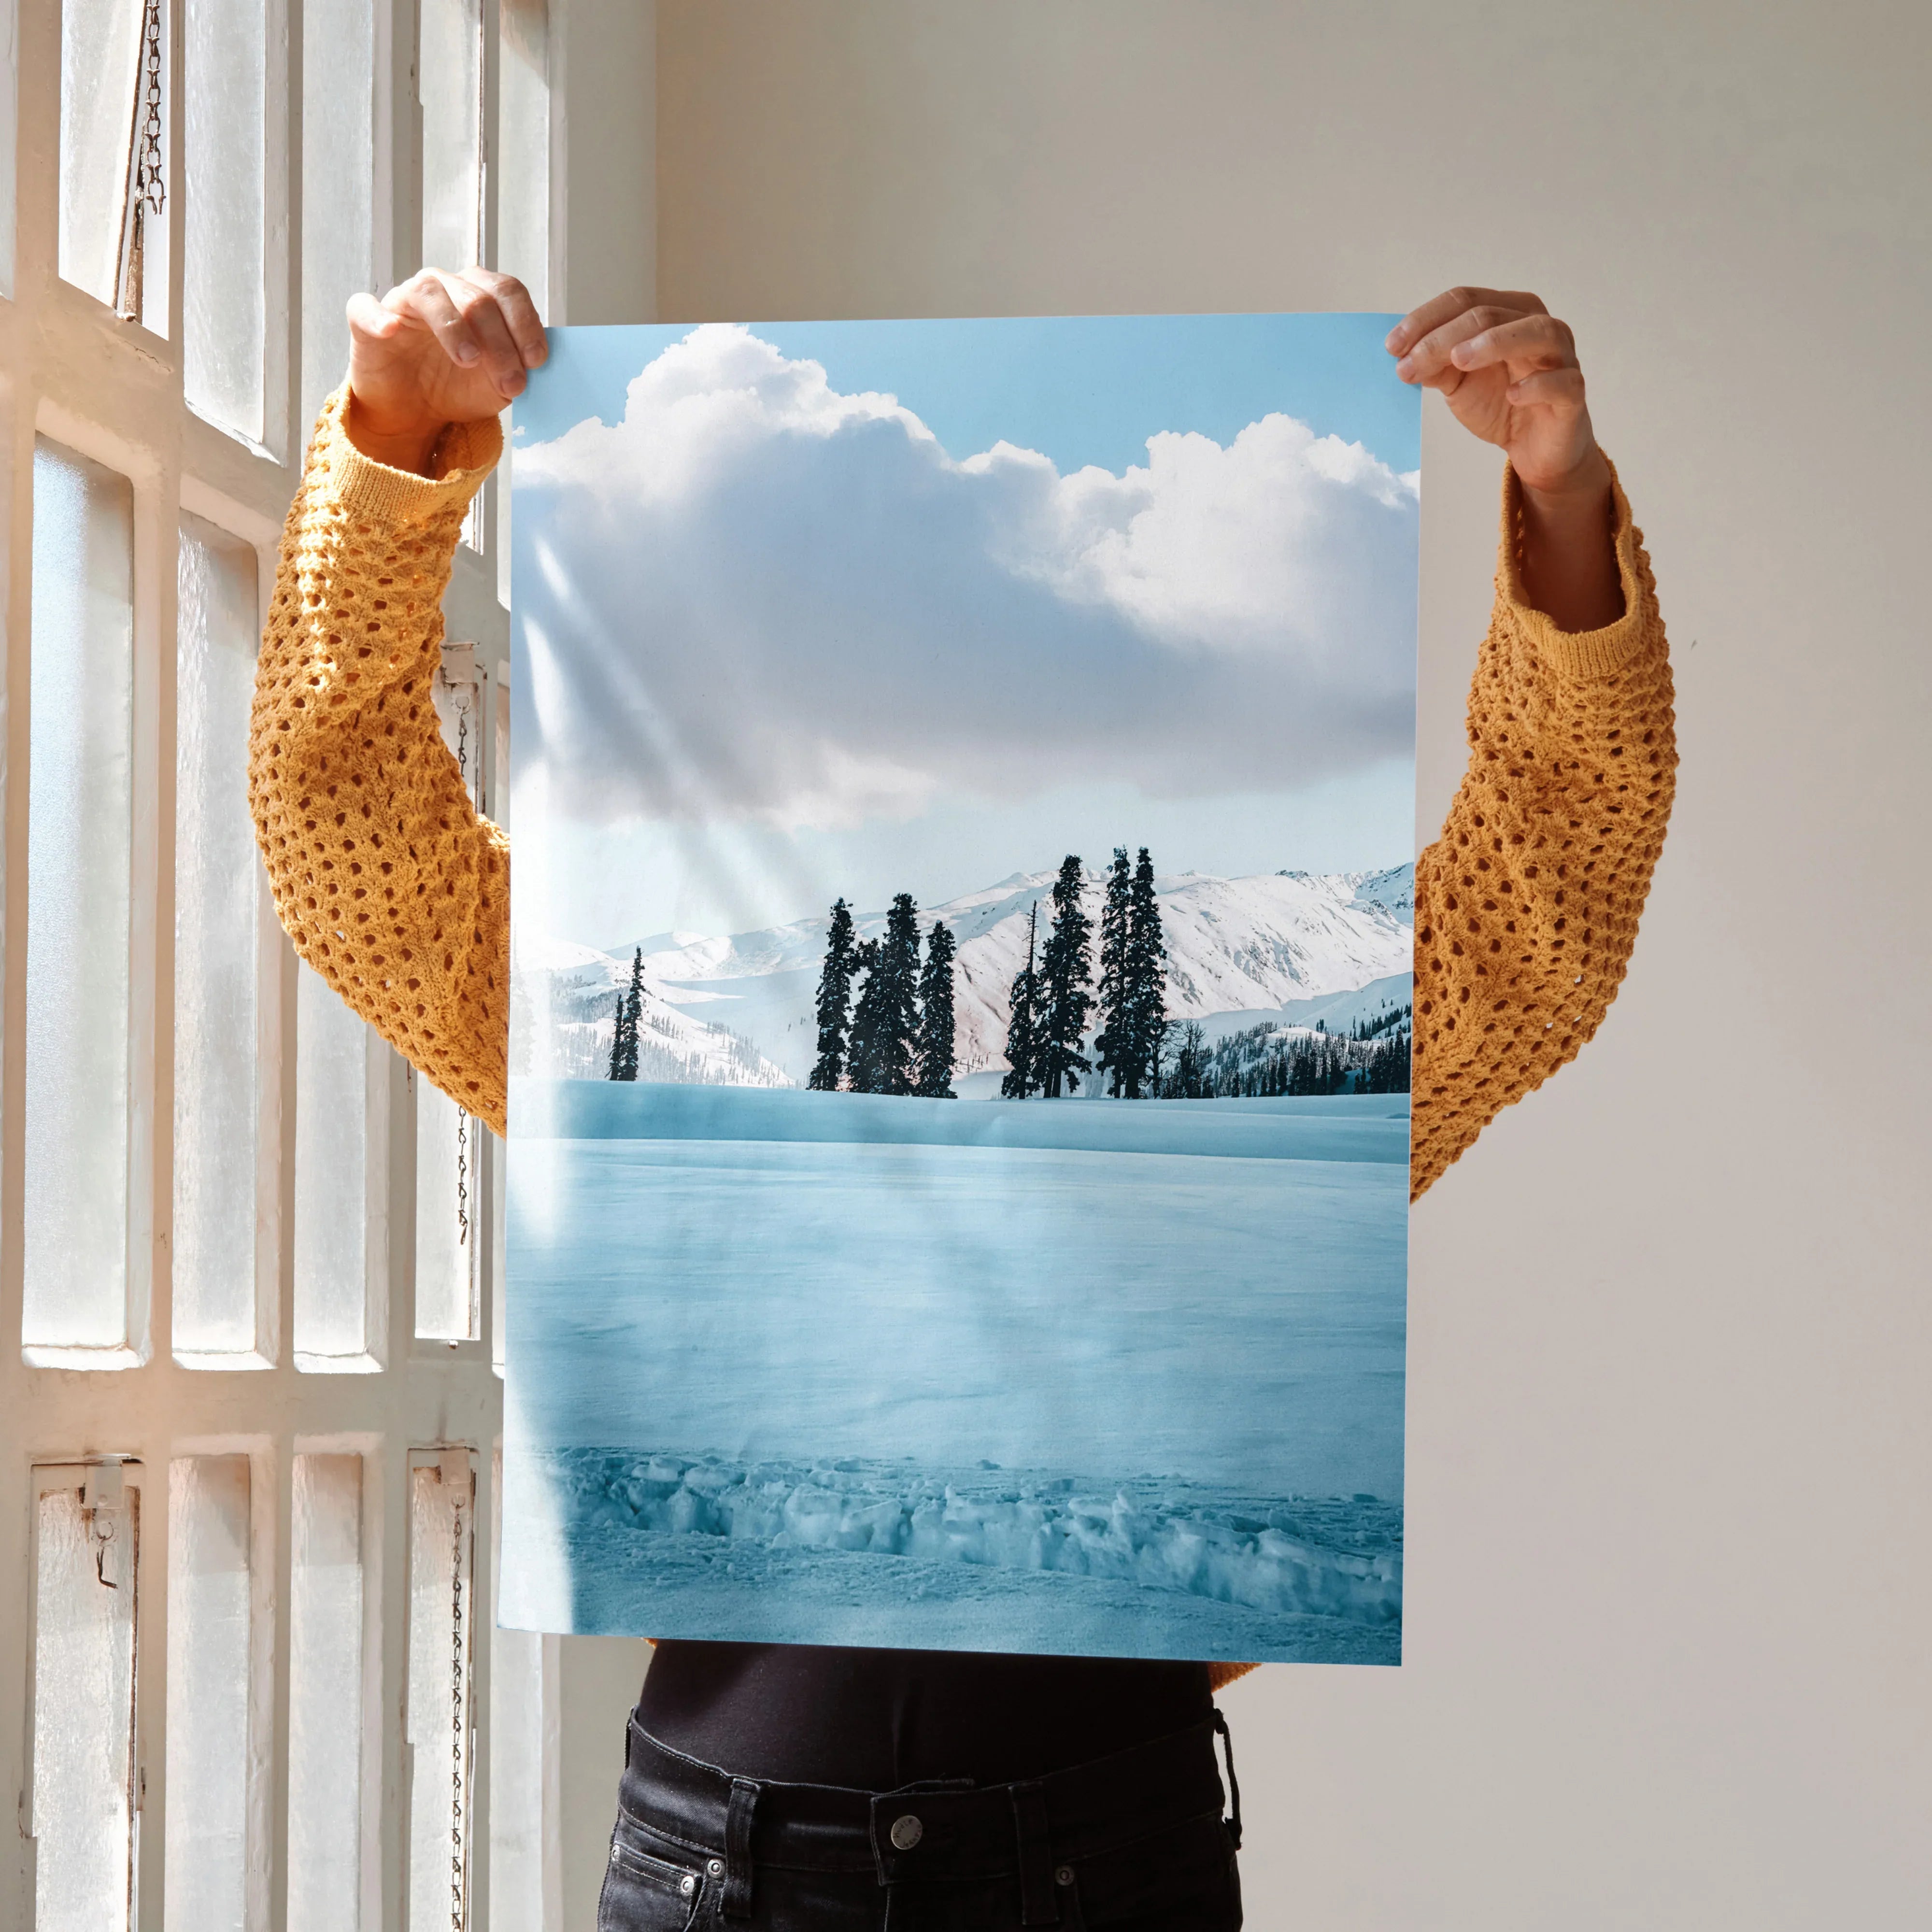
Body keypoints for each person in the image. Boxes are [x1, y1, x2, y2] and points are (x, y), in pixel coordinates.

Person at [250, 270, 1675, 1929]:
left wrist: (1560, 497)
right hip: (731, 1865)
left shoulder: (1215, 1072)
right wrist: (394, 446)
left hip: (1099, 1850)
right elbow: (346, 838)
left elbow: (1543, 909)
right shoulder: (627, 1045)